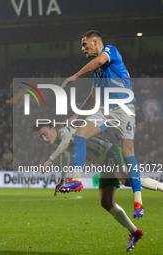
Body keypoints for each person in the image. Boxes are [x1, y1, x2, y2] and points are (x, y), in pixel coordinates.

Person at [61, 30, 143, 218]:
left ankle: (138, 201)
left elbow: (99, 61)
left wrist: (76, 75)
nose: (83, 49)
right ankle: (76, 180)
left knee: (128, 153)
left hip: (124, 108)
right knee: (79, 135)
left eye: (85, 44)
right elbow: (92, 96)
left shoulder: (110, 50)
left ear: (96, 42)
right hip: (105, 109)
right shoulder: (97, 72)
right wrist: (76, 116)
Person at [35, 123, 151, 252]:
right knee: (106, 202)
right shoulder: (60, 141)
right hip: (104, 162)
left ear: (53, 129)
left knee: (126, 180)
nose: (45, 139)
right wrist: (62, 179)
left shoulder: (63, 132)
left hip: (109, 152)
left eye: (45, 134)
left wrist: (50, 159)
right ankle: (135, 232)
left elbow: (66, 142)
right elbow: (65, 156)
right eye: (42, 137)